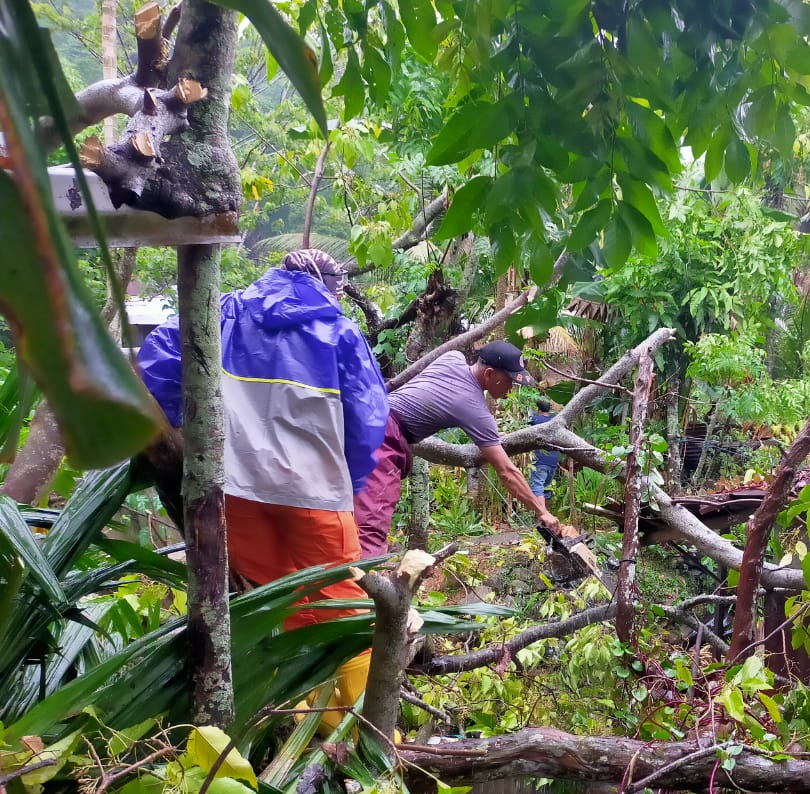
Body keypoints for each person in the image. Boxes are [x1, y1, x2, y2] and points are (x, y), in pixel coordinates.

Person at [138, 248, 389, 728]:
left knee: (281, 601)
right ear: (328, 286)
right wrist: (348, 485)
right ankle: (367, 737)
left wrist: (193, 429)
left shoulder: (222, 311)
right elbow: (366, 422)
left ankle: (303, 732)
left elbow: (160, 357)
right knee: (346, 607)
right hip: (316, 497)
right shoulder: (338, 331)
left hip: (235, 489)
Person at [354, 341, 564, 557]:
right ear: (490, 373)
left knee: (342, 512)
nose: (511, 388)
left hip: (363, 417)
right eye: (509, 381)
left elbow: (434, 394)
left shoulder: (452, 357)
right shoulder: (474, 408)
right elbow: (507, 472)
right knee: (371, 527)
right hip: (381, 438)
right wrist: (542, 512)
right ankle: (364, 587)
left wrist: (488, 438)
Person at [528, 397, 560, 512]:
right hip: (553, 461)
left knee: (537, 486)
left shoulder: (535, 421)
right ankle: (545, 512)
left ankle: (542, 514)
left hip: (539, 460)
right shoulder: (554, 422)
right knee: (544, 486)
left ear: (538, 409)